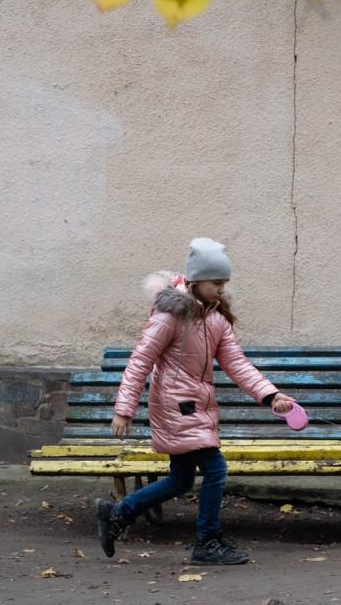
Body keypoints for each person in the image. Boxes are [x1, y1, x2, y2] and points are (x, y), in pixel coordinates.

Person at [96, 237, 296, 565]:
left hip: (197, 406)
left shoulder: (216, 319)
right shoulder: (170, 316)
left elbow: (238, 364)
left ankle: (118, 514)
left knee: (182, 479)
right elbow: (140, 360)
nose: (221, 289)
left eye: (224, 283)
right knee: (215, 469)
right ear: (195, 280)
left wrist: (270, 395)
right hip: (176, 406)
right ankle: (207, 541)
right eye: (216, 283)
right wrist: (124, 409)